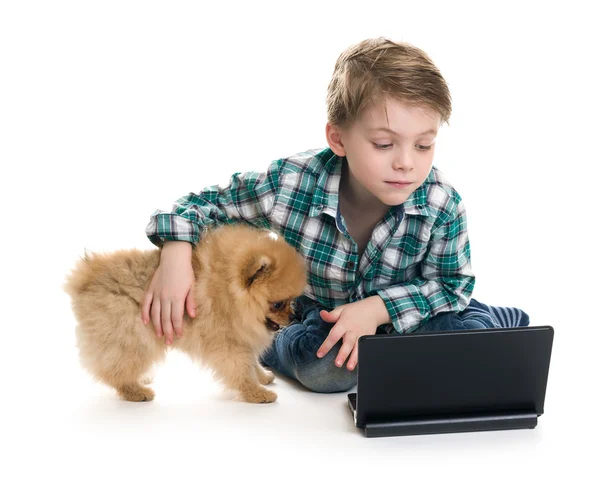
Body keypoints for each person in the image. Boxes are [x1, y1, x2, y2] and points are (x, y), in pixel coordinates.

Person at [142, 37, 529, 394]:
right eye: (384, 143)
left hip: (409, 312)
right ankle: (275, 346)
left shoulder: (442, 204)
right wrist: (176, 254)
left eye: (424, 145)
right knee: (324, 370)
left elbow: (450, 284)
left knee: (464, 342)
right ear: (339, 139)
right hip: (324, 314)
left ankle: (486, 321)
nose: (407, 163)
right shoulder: (292, 183)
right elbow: (199, 205)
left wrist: (377, 310)